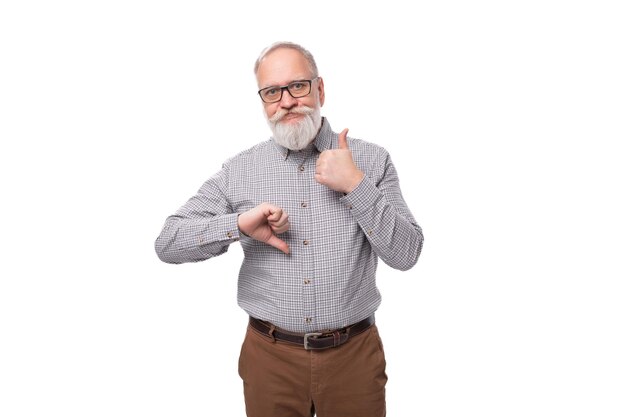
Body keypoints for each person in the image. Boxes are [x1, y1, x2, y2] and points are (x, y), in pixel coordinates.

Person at [155, 41, 424, 417]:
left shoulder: (372, 160)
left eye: (298, 86)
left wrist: (354, 185)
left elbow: (407, 254)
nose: (286, 101)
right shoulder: (240, 169)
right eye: (272, 92)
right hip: (270, 360)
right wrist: (237, 226)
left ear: (320, 90)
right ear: (263, 101)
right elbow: (168, 242)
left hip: (355, 359)